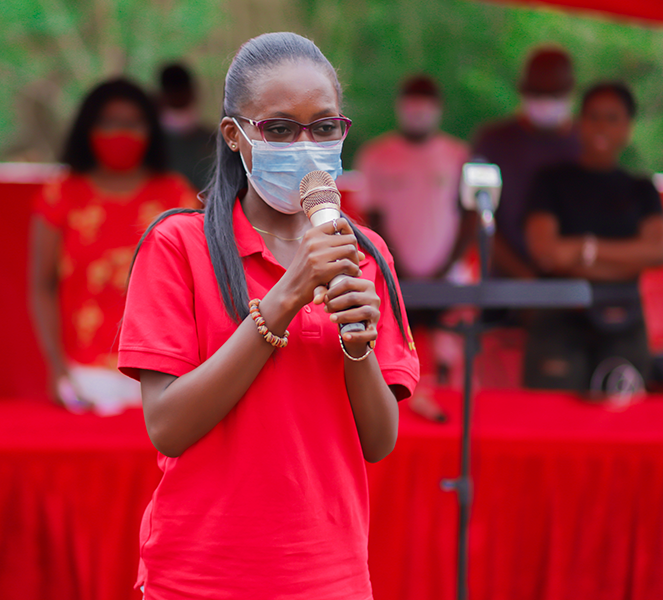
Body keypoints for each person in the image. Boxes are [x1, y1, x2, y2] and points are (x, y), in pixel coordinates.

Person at [118, 32, 418, 599]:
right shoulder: (180, 246)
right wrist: (286, 297)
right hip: (202, 578)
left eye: (324, 128)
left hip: (329, 576)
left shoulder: (365, 254)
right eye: (279, 129)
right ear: (235, 135)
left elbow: (378, 442)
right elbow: (168, 428)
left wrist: (358, 347)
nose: (306, 146)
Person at [29, 78, 197, 414]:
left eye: (133, 123)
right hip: (84, 375)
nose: (121, 133)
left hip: (161, 370)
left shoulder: (177, 195)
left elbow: (197, 286)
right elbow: (41, 286)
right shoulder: (61, 194)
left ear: (151, 129)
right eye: (109, 122)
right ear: (87, 128)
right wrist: (56, 367)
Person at [523, 82, 663, 392]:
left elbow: (660, 251)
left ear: (627, 128)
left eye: (612, 118)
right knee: (552, 414)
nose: (602, 126)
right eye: (593, 117)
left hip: (624, 322)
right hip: (560, 322)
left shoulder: (640, 189)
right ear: (579, 123)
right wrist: (627, 261)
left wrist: (584, 249)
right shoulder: (552, 181)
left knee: (622, 413)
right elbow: (546, 252)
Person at [354, 74, 471, 421]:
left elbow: (469, 217)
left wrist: (445, 267)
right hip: (392, 278)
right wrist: (395, 267)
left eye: (426, 100)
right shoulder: (376, 155)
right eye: (412, 100)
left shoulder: (457, 155)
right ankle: (396, 415)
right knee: (392, 352)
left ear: (439, 108)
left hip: (447, 281)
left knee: (448, 356)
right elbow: (372, 216)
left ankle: (444, 412)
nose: (418, 109)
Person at [473, 46, 581, 279]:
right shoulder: (493, 141)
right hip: (507, 284)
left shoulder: (588, 144)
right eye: (537, 92)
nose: (545, 102)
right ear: (522, 89)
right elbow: (476, 217)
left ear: (570, 90)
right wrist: (526, 281)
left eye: (554, 93)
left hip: (574, 285)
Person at [158, 63, 214, 192]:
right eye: (172, 94)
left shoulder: (212, 141)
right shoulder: (153, 144)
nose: (178, 98)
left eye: (182, 93)